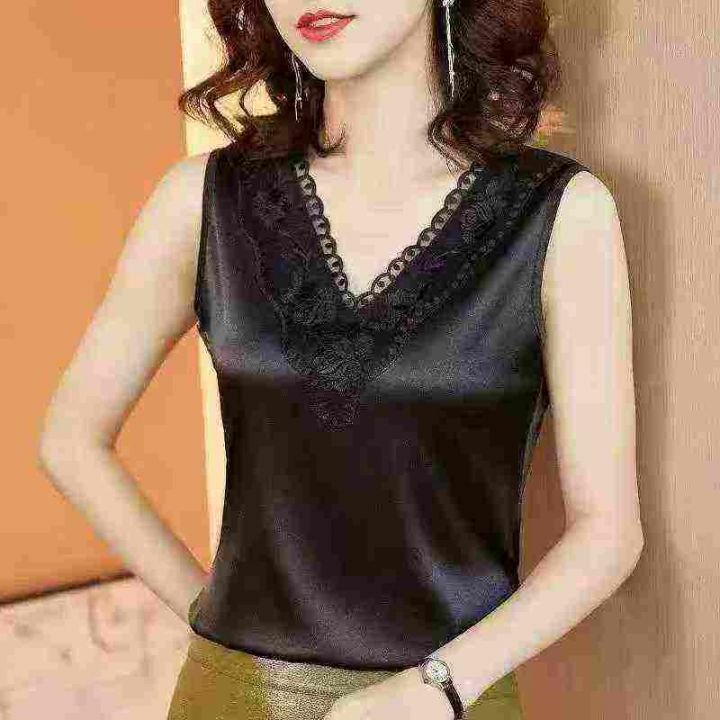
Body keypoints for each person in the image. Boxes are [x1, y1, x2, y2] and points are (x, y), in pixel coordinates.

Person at [38, 1, 644, 719]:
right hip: (235, 698)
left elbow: (608, 535)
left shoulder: (563, 213)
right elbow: (69, 439)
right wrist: (215, 621)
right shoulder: (200, 200)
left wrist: (440, 686)